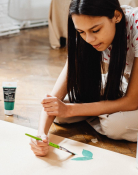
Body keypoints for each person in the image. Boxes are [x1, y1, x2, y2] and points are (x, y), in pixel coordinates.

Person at [30, 0, 138, 157]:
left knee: (114, 126)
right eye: (81, 32)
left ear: (116, 16)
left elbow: (132, 101)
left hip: (133, 94)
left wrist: (71, 110)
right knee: (58, 111)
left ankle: (103, 113)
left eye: (96, 30)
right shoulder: (85, 35)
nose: (89, 39)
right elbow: (53, 99)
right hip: (127, 83)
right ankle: (104, 111)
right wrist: (41, 135)